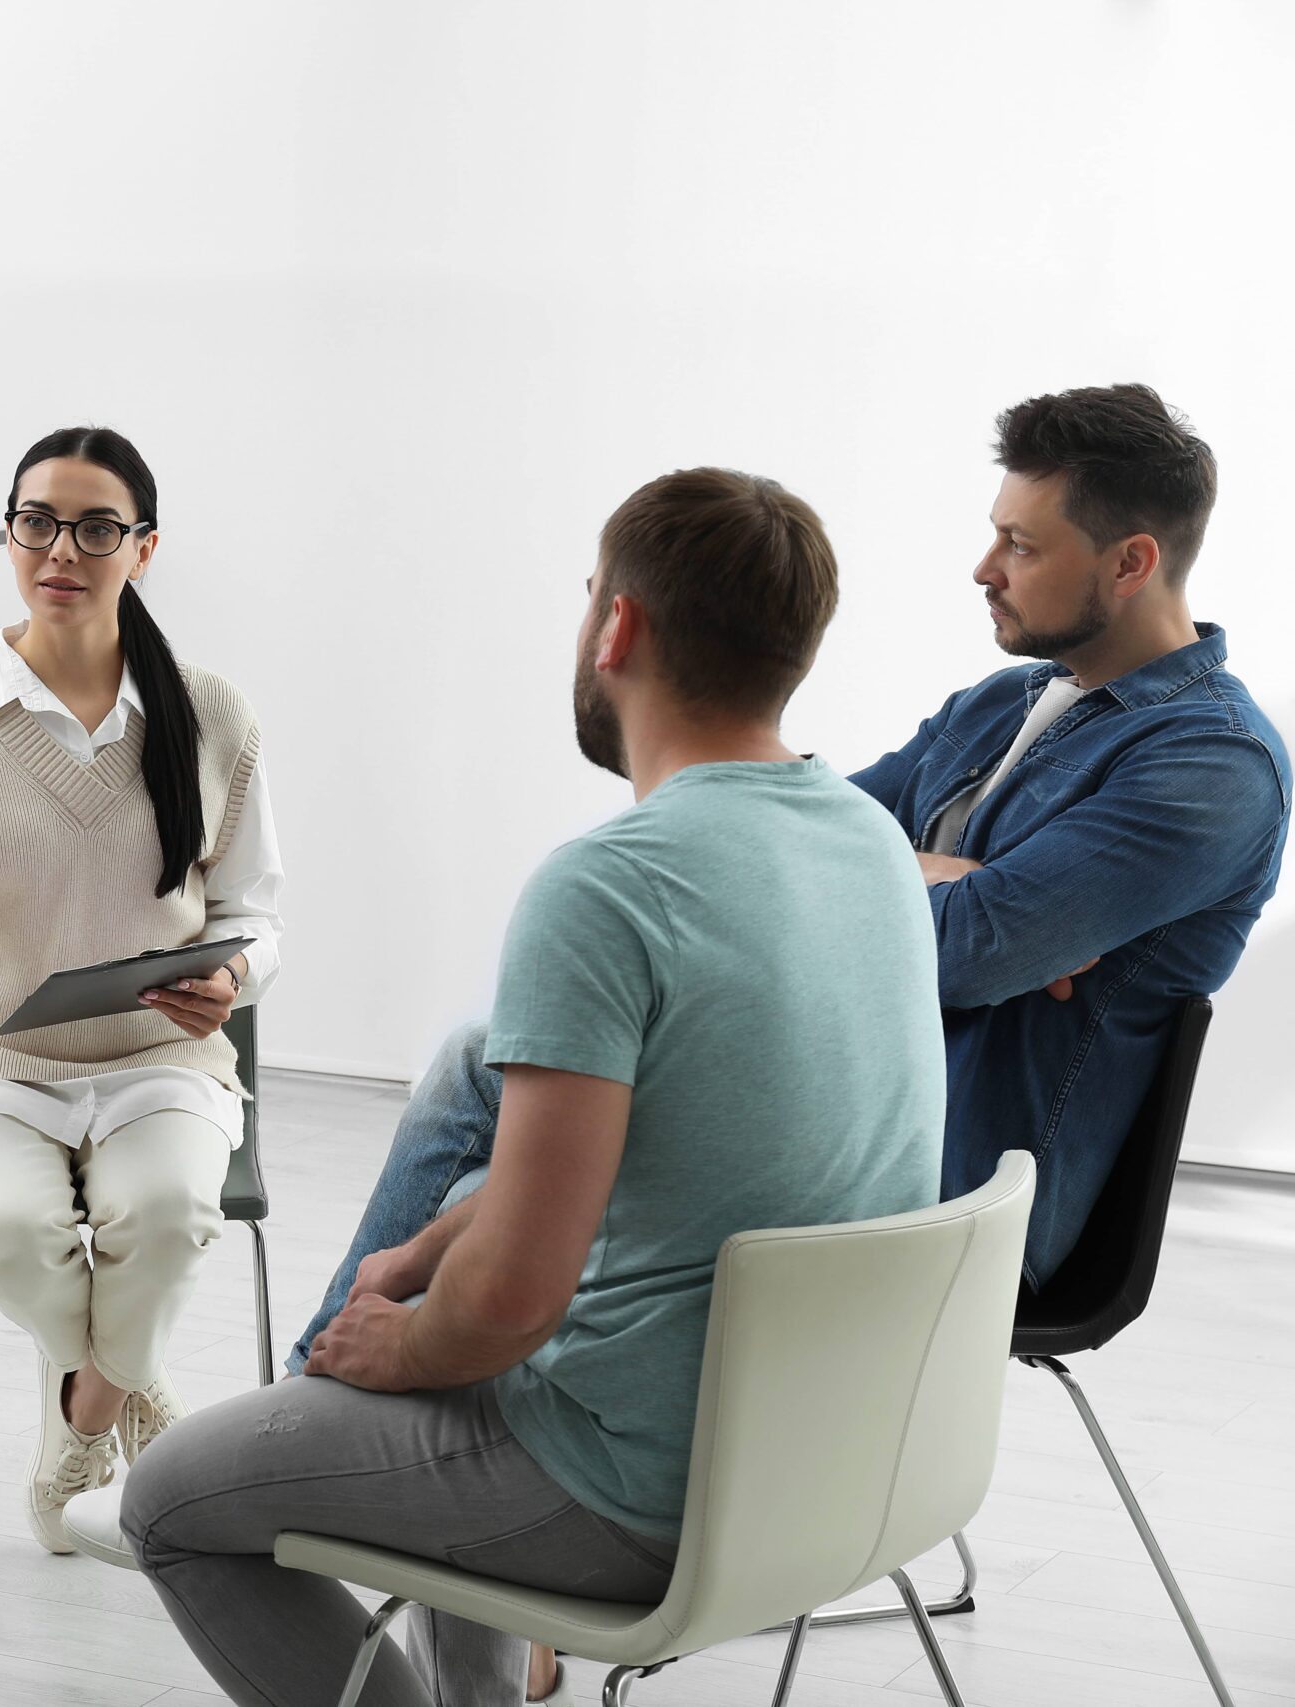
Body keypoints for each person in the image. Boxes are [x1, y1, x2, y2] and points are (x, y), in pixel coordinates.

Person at [120, 469, 945, 1707]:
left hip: (632, 1493)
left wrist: (407, 1341)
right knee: (452, 1309)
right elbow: (600, 1177)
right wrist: (426, 1256)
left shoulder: (609, 886)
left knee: (167, 1500)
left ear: (618, 628)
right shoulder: (868, 840)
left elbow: (511, 1302)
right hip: (826, 1467)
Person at [0, 425, 286, 1552]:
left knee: (170, 1216)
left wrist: (232, 972)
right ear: (9, 535)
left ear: (144, 548)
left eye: (97, 528)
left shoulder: (212, 714)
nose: (62, 549)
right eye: (37, 522)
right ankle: (126, 1390)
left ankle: (81, 1412)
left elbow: (252, 914)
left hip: (160, 1057)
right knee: (6, 1231)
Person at [852, 384, 1288, 1285]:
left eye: (1020, 545)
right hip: (851, 1135)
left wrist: (926, 894)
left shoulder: (1217, 763)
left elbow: (963, 953)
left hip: (953, 1213)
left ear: (1130, 563)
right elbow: (786, 848)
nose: (984, 568)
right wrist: (941, 874)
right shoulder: (997, 702)